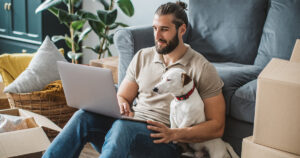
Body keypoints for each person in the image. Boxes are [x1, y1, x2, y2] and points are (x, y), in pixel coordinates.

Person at [42, 1, 225, 158]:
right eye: (155, 29)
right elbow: (122, 96)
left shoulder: (201, 67)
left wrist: (174, 134)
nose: (157, 36)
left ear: (182, 30)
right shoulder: (142, 57)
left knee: (122, 128)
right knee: (84, 117)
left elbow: (217, 127)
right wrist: (122, 104)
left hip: (165, 142)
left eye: (164, 30)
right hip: (129, 128)